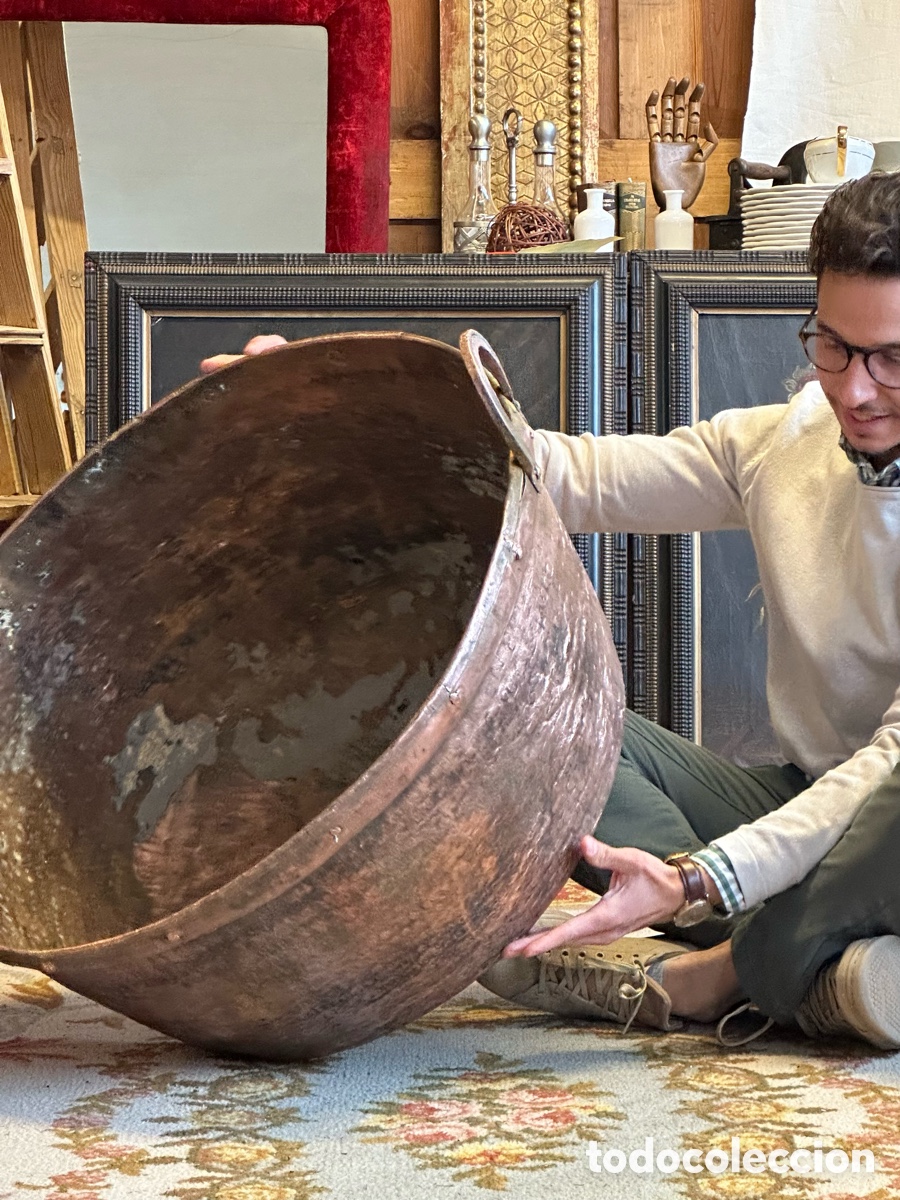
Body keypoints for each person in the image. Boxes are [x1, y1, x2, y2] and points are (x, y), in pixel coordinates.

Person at [200, 171, 900, 1051]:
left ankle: (718, 975)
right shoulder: (786, 440)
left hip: (891, 817)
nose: (856, 389)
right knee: (534, 706)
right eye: (833, 345)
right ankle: (816, 961)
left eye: (893, 359)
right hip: (801, 794)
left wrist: (696, 879)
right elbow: (560, 471)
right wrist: (338, 412)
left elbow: (886, 765)